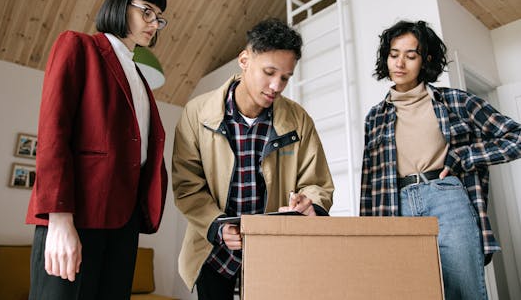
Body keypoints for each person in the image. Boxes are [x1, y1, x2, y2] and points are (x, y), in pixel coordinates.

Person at [26, 0, 169, 300]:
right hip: (77, 215)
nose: (153, 24)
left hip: (125, 222)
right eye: (146, 11)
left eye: (158, 18)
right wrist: (59, 220)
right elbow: (53, 132)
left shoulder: (140, 76)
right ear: (119, 6)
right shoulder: (79, 45)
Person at [172, 18, 334, 299]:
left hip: (274, 256)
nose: (276, 85)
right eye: (269, 72)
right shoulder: (196, 113)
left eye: (285, 77)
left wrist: (309, 205)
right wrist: (218, 226)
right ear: (245, 60)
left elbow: (317, 183)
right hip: (214, 255)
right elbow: (187, 186)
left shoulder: (298, 119)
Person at [360, 20, 521, 300]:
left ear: (426, 60)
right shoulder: (374, 117)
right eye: (393, 54)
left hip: (447, 197)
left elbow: (515, 137)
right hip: (395, 205)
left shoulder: (455, 102)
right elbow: (369, 182)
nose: (400, 63)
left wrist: (466, 156)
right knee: (409, 292)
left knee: (464, 291)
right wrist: (367, 235)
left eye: (410, 56)